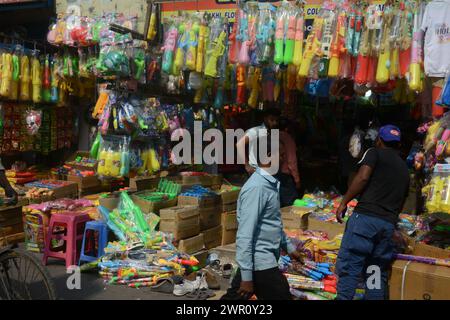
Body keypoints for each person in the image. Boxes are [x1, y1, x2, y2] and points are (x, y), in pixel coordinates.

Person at [221, 135, 303, 300]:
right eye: (280, 156)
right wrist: (246, 277)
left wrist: (289, 247)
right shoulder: (257, 188)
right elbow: (245, 235)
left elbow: (272, 223)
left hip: (262, 260)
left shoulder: (269, 184)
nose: (283, 160)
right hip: (260, 262)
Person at [334, 125, 410, 300]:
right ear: (398, 145)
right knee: (375, 271)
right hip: (387, 226)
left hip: (365, 221)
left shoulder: (374, 153)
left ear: (379, 140)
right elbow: (402, 201)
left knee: (350, 267)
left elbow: (363, 177)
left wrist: (344, 201)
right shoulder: (404, 168)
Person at [236, 107, 281, 175]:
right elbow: (239, 144)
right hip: (256, 171)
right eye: (272, 120)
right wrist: (247, 165)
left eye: (277, 120)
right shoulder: (256, 131)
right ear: (265, 118)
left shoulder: (273, 133)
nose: (275, 123)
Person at [278, 118, 301, 207]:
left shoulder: (272, 135)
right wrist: (297, 179)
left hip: (273, 173)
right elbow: (292, 160)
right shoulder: (287, 138)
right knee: (289, 204)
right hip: (285, 175)